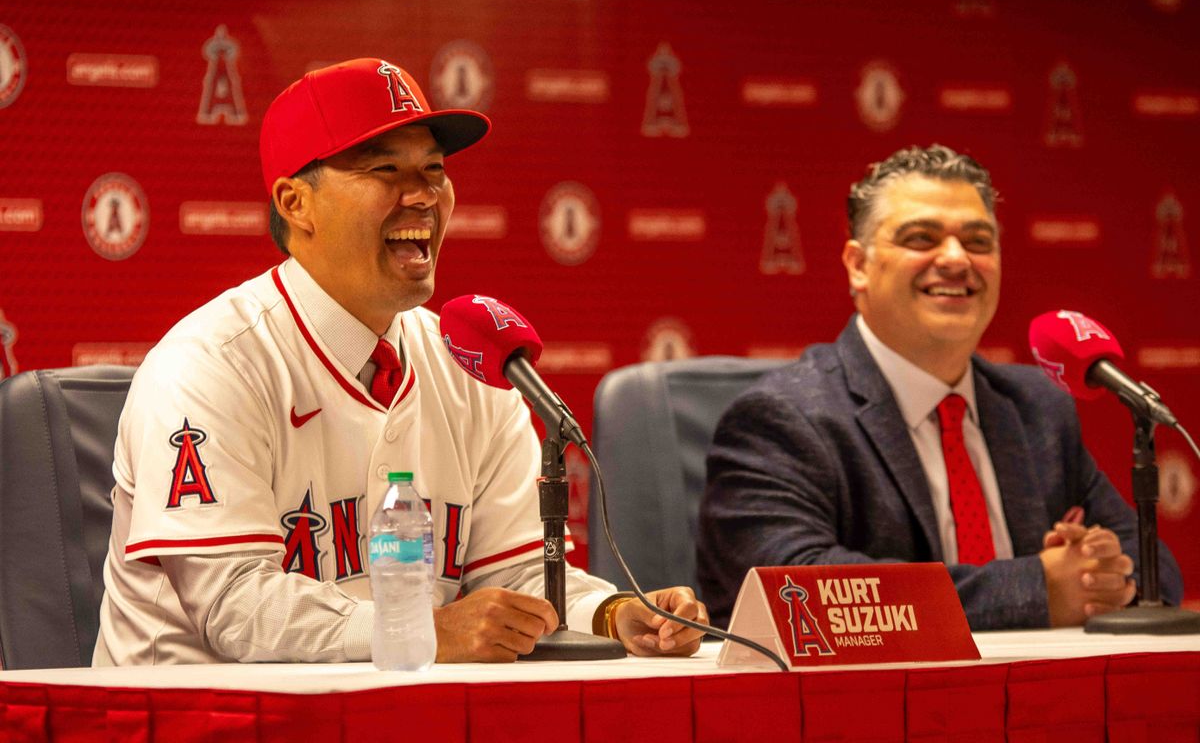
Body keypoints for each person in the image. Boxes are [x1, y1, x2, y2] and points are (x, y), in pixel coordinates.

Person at [95, 58, 707, 665]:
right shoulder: (210, 364)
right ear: (295, 202)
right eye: (385, 170)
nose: (423, 196)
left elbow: (517, 580)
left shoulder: (471, 362)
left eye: (433, 170)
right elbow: (233, 603)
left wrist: (613, 615)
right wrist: (424, 631)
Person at [697, 144, 1183, 630]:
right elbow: (793, 590)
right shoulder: (782, 417)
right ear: (858, 265)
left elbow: (1155, 571)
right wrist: (1038, 588)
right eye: (921, 238)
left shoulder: (1038, 408)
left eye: (977, 241)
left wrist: (1103, 574)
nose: (956, 260)